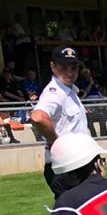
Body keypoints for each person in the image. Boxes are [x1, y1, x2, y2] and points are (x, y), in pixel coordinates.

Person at [30, 46, 91, 192]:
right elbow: (38, 117)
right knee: (71, 213)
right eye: (63, 67)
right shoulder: (55, 93)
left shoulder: (70, 92)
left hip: (78, 163)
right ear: (53, 66)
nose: (69, 72)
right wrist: (57, 143)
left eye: (73, 67)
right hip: (66, 167)